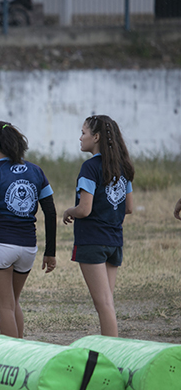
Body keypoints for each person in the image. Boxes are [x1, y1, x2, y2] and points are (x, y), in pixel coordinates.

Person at [0, 121, 57, 339]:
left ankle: (13, 362)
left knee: (5, 306)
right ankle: (22, 356)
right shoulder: (36, 171)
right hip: (28, 248)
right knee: (13, 302)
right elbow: (51, 213)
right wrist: (50, 251)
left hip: (0, 245)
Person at [63, 115, 134, 337]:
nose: (80, 137)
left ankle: (110, 354)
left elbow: (85, 209)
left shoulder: (90, 167)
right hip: (114, 242)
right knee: (107, 303)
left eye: (83, 132)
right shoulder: (123, 166)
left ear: (96, 137)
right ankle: (110, 350)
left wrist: (68, 211)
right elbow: (129, 207)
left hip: (92, 241)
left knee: (103, 305)